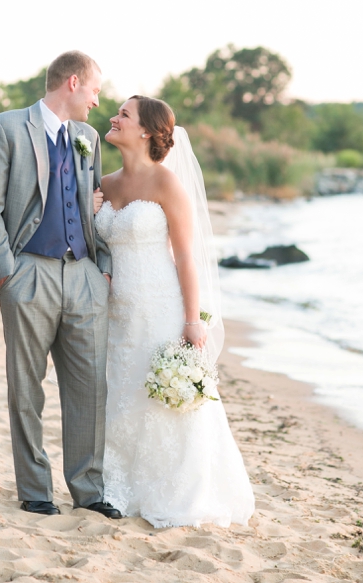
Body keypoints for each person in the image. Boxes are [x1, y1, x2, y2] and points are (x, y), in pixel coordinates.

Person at [0, 51, 122, 519]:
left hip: (84, 276)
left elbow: (94, 208)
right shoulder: (4, 128)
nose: (98, 100)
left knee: (91, 387)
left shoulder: (88, 138)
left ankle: (88, 491)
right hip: (27, 272)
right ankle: (36, 490)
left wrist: (104, 267)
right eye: (95, 89)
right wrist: (6, 273)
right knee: (26, 386)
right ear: (73, 83)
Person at [93, 95, 255, 528]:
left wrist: (191, 320)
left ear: (146, 131)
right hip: (116, 312)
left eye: (123, 114)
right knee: (122, 395)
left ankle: (178, 490)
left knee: (165, 398)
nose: (114, 118)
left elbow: (187, 256)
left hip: (160, 306)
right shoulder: (104, 185)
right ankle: (120, 487)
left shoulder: (167, 184)